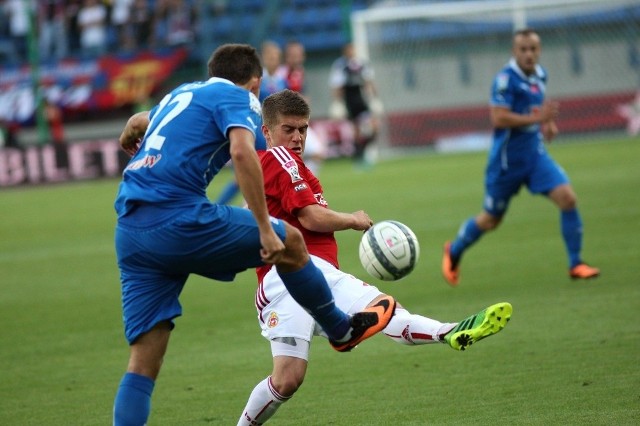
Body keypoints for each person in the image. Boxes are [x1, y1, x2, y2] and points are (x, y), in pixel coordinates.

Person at [112, 44, 395, 426]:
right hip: (179, 219)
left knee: (143, 364)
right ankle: (340, 329)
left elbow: (145, 120)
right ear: (256, 83)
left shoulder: (179, 94)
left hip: (131, 230)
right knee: (291, 241)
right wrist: (265, 227)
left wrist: (134, 121)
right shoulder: (239, 97)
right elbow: (243, 154)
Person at [236, 89, 513, 425]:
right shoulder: (278, 160)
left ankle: (450, 332)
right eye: (288, 129)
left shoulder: (282, 167)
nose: (297, 138)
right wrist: (353, 219)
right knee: (380, 312)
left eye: (303, 129)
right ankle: (352, 333)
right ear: (267, 132)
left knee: (288, 378)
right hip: (293, 273)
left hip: (301, 279)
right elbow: (310, 217)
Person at [441, 28, 600, 286]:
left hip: (535, 156)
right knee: (491, 220)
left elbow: (538, 104)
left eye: (533, 49)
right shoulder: (505, 80)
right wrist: (539, 118)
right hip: (506, 164)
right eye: (523, 49)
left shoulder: (541, 74)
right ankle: (454, 250)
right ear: (514, 52)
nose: (528, 54)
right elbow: (499, 117)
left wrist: (546, 124)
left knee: (568, 199)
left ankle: (576, 263)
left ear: (539, 50)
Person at [215, 40, 288, 205]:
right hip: (249, 130)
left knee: (259, 177)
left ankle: (250, 209)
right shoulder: (254, 80)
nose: (273, 59)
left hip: (266, 133)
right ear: (264, 58)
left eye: (276, 56)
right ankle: (219, 207)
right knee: (244, 178)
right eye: (270, 56)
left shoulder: (282, 81)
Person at [328, 42, 383, 168]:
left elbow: (369, 81)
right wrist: (337, 103)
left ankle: (362, 152)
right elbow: (337, 86)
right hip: (349, 100)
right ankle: (359, 159)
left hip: (361, 98)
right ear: (345, 52)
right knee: (356, 131)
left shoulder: (362, 64)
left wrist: (375, 99)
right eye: (348, 50)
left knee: (375, 126)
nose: (351, 52)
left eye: (352, 49)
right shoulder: (340, 66)